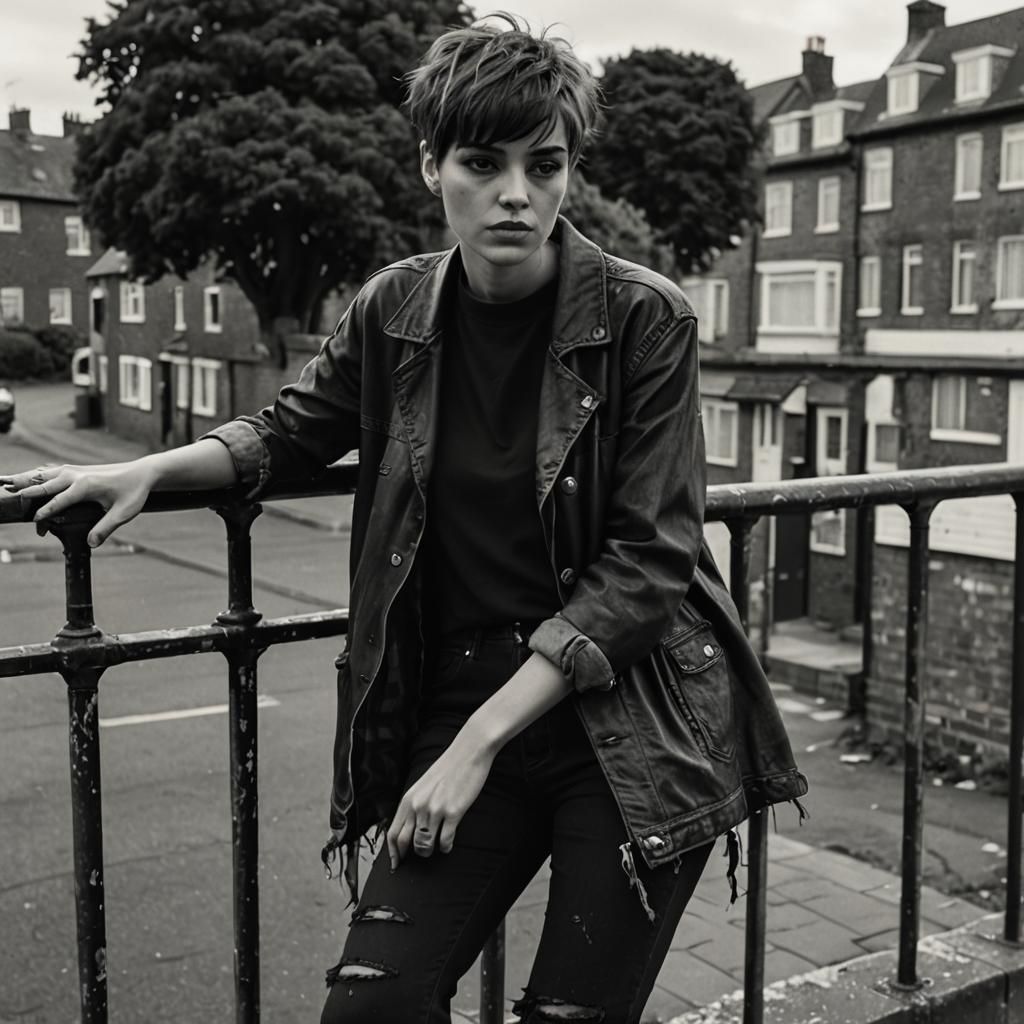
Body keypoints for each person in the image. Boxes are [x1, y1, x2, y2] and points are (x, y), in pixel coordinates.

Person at [1, 15, 807, 1023]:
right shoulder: (394, 310)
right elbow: (290, 430)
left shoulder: (644, 317)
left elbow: (646, 567)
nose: (516, 194)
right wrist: (150, 471)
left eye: (544, 164)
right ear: (432, 165)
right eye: (482, 162)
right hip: (460, 687)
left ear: (569, 169)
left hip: (628, 718)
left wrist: (470, 748)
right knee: (370, 1009)